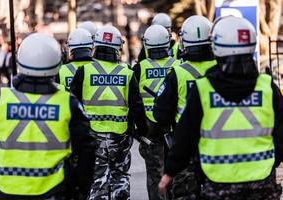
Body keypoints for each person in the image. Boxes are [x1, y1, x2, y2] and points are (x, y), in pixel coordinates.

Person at [159, 16, 283, 200]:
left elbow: (185, 135)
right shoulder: (267, 88)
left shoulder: (203, 89)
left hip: (217, 183)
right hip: (261, 181)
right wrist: (271, 163)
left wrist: (170, 171)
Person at [0, 33, 96, 200]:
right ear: (58, 61)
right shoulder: (67, 102)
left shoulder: (1, 101)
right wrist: (80, 189)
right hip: (54, 190)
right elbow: (87, 148)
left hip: (7, 190)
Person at [71, 25, 148, 200]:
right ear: (117, 48)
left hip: (93, 136)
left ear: (95, 46)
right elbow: (137, 106)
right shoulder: (127, 73)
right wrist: (142, 130)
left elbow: (73, 106)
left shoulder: (84, 72)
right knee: (120, 176)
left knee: (98, 178)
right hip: (119, 137)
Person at [153, 15, 216, 199]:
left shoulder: (177, 73)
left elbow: (160, 114)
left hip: (185, 149)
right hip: (216, 147)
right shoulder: (220, 68)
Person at [133, 24, 180, 200]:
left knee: (155, 177)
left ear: (147, 45)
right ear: (168, 43)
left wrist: (139, 129)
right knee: (176, 174)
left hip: (150, 131)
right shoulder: (178, 66)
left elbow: (135, 102)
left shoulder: (140, 68)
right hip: (174, 128)